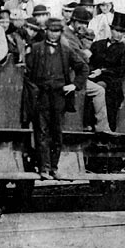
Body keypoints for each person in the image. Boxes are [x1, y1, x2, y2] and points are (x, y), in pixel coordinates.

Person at [25, 17, 88, 178]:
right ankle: (44, 168)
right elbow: (28, 72)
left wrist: (74, 85)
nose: (54, 35)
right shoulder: (37, 48)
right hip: (42, 95)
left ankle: (54, 167)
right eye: (51, 31)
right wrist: (34, 91)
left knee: (57, 132)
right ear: (46, 31)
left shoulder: (66, 51)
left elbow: (83, 67)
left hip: (59, 96)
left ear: (61, 32)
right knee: (41, 131)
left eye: (57, 31)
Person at [63, 6, 109, 132]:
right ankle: (102, 127)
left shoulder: (74, 34)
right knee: (98, 91)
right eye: (81, 22)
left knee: (99, 90)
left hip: (76, 75)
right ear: (73, 21)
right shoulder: (66, 34)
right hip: (69, 76)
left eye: (86, 23)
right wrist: (84, 53)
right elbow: (78, 55)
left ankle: (101, 127)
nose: (83, 26)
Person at [88, 12, 125, 132]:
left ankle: (107, 128)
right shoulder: (97, 45)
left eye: (121, 32)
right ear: (111, 30)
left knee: (104, 90)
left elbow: (122, 70)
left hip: (112, 81)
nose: (119, 34)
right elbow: (90, 62)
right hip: (93, 77)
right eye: (116, 31)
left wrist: (102, 71)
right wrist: (92, 71)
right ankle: (89, 124)